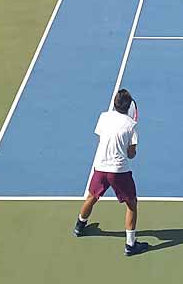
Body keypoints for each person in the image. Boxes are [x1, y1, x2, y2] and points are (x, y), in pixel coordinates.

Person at [74, 87, 144, 256]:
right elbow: (131, 154)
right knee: (132, 204)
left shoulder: (103, 117)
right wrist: (129, 147)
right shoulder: (131, 126)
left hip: (100, 166)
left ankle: (79, 226)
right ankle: (130, 244)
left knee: (91, 196)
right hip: (119, 171)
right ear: (128, 108)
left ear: (114, 104)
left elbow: (102, 136)